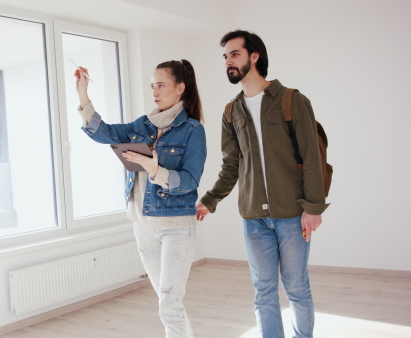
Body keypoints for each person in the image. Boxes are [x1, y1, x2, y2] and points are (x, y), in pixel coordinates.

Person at [196, 30, 329, 338]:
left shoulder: (292, 100)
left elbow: (311, 158)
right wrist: (210, 200)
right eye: (226, 56)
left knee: (296, 287)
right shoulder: (231, 111)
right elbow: (231, 166)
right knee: (264, 292)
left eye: (235, 54)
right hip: (254, 218)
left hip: (293, 215)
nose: (228, 61)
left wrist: (313, 208)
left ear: (254, 56)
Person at [74, 60, 206, 338]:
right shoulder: (142, 125)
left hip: (176, 228)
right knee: (167, 303)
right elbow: (104, 133)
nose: (154, 92)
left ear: (180, 88)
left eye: (161, 85)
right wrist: (83, 94)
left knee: (169, 305)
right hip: (142, 224)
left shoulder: (193, 130)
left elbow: (190, 182)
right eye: (152, 86)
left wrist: (155, 170)